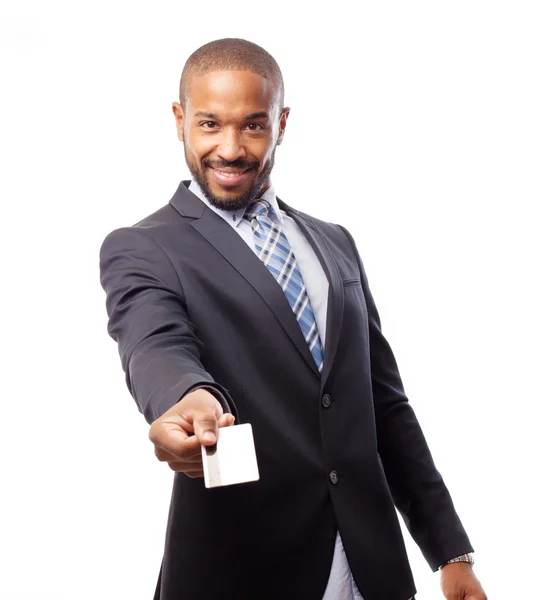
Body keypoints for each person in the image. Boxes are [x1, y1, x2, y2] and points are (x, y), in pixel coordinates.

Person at [99, 38, 487, 600]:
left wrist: (450, 552)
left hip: (366, 567)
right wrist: (185, 397)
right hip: (242, 568)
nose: (229, 149)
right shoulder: (143, 248)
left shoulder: (334, 243)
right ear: (180, 119)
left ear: (281, 123)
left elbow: (384, 404)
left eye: (252, 126)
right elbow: (153, 341)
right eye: (209, 124)